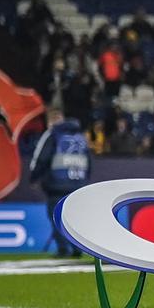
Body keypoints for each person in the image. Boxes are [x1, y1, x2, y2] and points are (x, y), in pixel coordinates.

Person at [28, 110, 91, 257]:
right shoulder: (80, 137)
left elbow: (42, 158)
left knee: (57, 218)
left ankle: (63, 249)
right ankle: (77, 248)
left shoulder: (52, 135)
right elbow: (89, 161)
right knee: (74, 219)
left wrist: (34, 178)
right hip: (77, 185)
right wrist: (84, 180)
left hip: (57, 185)